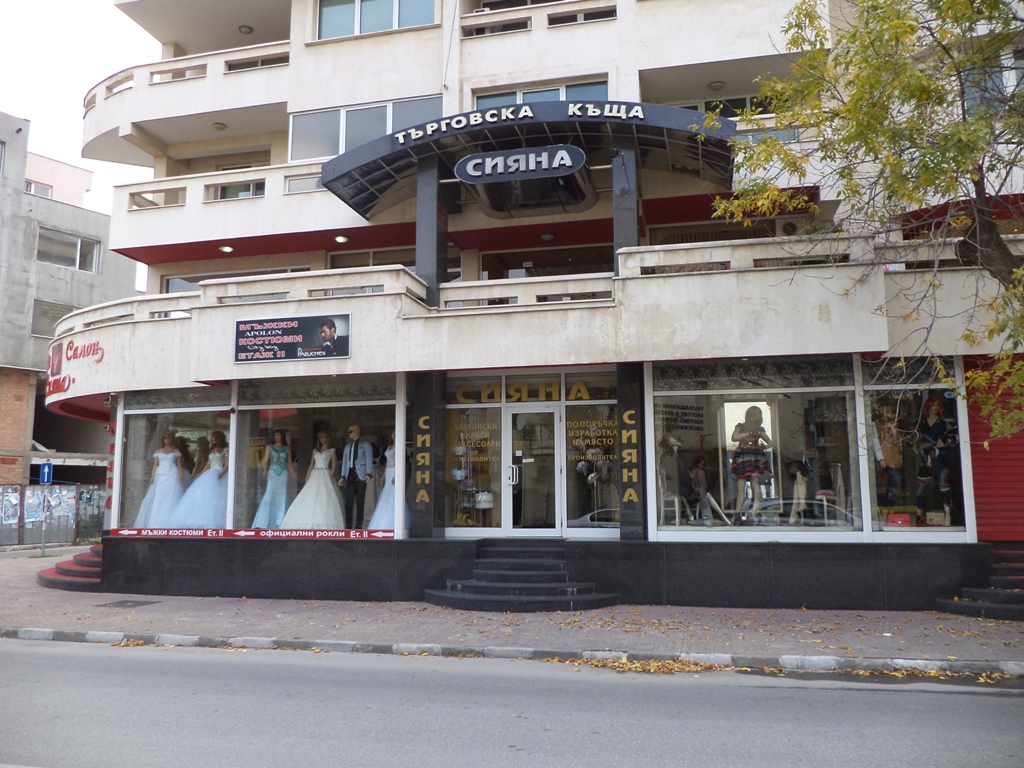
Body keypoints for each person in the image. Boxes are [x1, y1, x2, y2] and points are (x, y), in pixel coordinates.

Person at [161, 431, 229, 528]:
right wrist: (201, 473)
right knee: (204, 497)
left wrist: (222, 473)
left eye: (215, 437)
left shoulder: (225, 449)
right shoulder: (212, 450)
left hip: (219, 472)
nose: (213, 439)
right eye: (213, 437)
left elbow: (227, 463)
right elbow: (208, 464)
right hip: (211, 472)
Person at [281, 431, 345, 529]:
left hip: (325, 472)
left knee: (325, 496)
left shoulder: (331, 450)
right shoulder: (315, 450)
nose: (322, 439)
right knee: (310, 494)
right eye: (321, 437)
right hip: (315, 472)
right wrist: (308, 475)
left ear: (327, 438)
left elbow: (334, 465)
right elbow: (311, 464)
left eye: (324, 437)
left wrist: (330, 475)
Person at [134, 431, 184, 527]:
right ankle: (155, 523)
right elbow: (155, 465)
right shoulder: (158, 452)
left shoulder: (176, 451)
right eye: (165, 438)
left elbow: (179, 465)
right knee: (159, 496)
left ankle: (170, 521)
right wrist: (153, 476)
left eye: (169, 438)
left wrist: (181, 475)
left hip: (172, 474)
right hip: (161, 475)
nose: (167, 440)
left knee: (171, 496)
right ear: (163, 440)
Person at [916, 398, 954, 525]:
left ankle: (948, 515)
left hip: (940, 457)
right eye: (933, 405)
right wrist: (919, 447)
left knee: (944, 484)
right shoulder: (920, 423)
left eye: (938, 405)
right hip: (925, 459)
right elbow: (913, 439)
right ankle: (919, 515)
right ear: (928, 407)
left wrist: (945, 442)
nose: (936, 407)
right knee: (922, 485)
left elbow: (955, 436)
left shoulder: (943, 424)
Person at [730, 405, 773, 516]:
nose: (759, 416)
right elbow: (734, 437)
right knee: (742, 486)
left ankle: (753, 512)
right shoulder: (741, 426)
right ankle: (738, 513)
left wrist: (764, 447)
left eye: (760, 414)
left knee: (755, 483)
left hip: (752, 456)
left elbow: (771, 443)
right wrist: (749, 433)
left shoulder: (759, 429)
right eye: (757, 413)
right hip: (746, 456)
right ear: (752, 415)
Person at [251, 429, 296, 529]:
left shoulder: (287, 448)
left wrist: (293, 472)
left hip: (283, 473)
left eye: (278, 435)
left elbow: (289, 463)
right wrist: (264, 470)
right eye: (275, 435)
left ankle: (281, 521)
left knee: (282, 494)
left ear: (282, 436)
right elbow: (266, 460)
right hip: (272, 472)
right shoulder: (269, 447)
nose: (276, 437)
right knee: (270, 493)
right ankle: (264, 521)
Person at [367, 431, 409, 530]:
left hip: (395, 471)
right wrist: (384, 475)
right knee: (387, 493)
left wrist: (397, 475)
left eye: (395, 434)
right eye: (393, 434)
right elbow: (387, 462)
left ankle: (396, 519)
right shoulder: (389, 446)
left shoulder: (400, 447)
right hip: (389, 471)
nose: (394, 435)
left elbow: (401, 462)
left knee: (394, 493)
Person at [338, 424, 374, 529]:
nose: (349, 433)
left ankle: (358, 527)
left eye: (351, 431)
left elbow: (369, 460)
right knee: (348, 502)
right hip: (350, 475)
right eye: (349, 432)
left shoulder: (366, 444)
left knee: (360, 502)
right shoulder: (347, 446)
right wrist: (343, 476)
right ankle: (348, 526)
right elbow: (345, 462)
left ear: (357, 431)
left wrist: (368, 473)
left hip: (360, 475)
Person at [869, 403, 904, 506]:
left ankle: (889, 505)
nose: (890, 414)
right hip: (886, 457)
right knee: (895, 481)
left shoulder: (895, 425)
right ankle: (889, 503)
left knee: (892, 482)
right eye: (887, 411)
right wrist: (880, 458)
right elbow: (875, 441)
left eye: (891, 412)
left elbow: (899, 441)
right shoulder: (877, 425)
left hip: (895, 457)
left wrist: (900, 455)